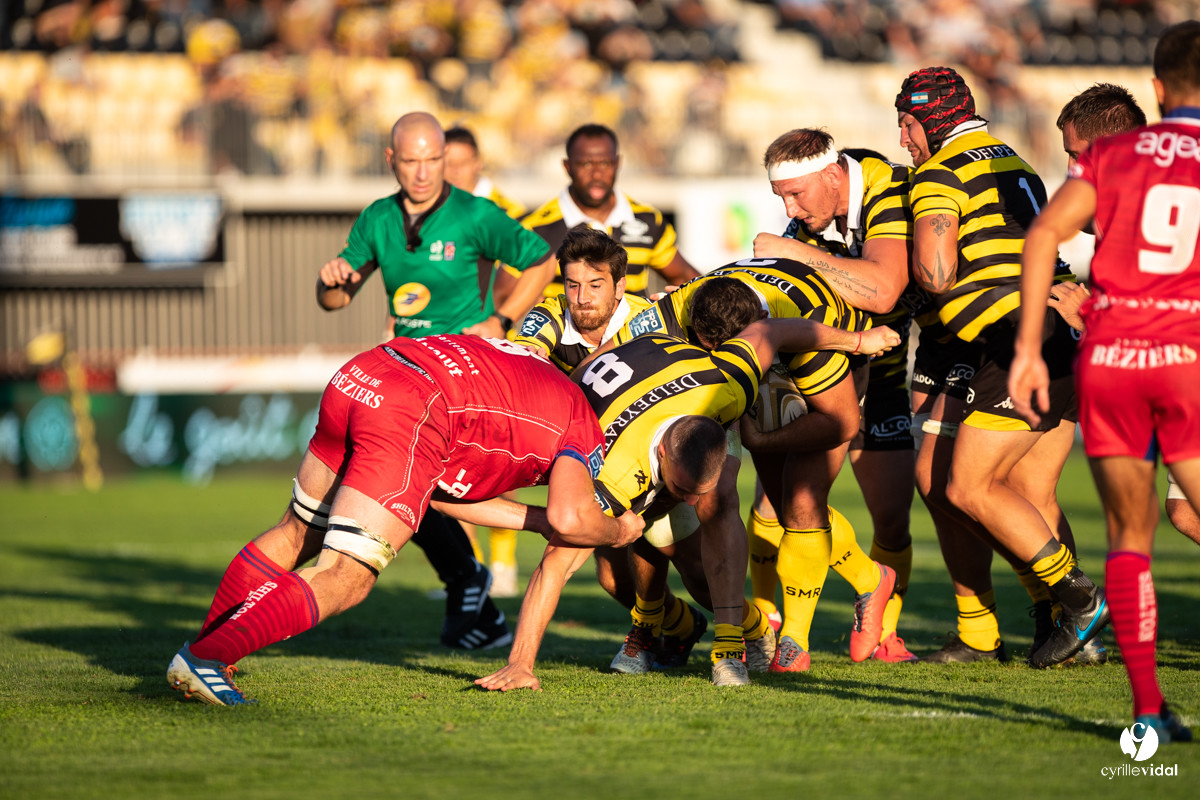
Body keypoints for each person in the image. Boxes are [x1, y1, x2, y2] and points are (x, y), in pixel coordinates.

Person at [167, 333, 644, 706]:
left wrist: (536, 521)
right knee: (346, 575)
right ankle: (208, 657)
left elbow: (438, 494)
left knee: (298, 531)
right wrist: (619, 530)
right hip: (413, 406)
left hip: (362, 373)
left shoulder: (529, 365)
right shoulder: (585, 424)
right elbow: (572, 516)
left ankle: (209, 649)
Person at [476, 312, 900, 691]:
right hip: (615, 428)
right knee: (630, 562)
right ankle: (680, 624)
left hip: (690, 397)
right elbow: (555, 564)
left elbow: (769, 329)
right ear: (661, 458)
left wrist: (860, 341)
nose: (689, 499)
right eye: (681, 490)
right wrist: (520, 664)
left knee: (716, 504)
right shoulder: (612, 471)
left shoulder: (732, 380)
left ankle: (730, 644)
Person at [1009, 20, 1200, 742]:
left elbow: (1042, 237)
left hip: (1113, 354)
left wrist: (1029, 347)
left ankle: (1148, 710)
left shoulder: (1113, 154)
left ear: (1156, 88)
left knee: (1129, 534)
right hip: (1186, 354)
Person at [314, 111, 557, 647]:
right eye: (410, 162)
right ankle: (473, 594)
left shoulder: (475, 214)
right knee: (413, 487)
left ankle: (465, 581)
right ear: (391, 160)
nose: (422, 173)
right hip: (403, 373)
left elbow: (540, 261)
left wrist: (502, 319)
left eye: (432, 161)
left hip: (462, 372)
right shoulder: (378, 218)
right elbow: (336, 298)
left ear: (445, 159)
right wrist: (331, 279)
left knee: (401, 480)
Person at [896, 66, 1108, 669]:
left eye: (908, 125)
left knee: (965, 486)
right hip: (1065, 329)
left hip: (1017, 334)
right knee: (1031, 491)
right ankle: (1065, 635)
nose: (905, 140)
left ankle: (1079, 601)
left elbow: (934, 273)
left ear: (930, 120)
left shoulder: (938, 172)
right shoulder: (1011, 158)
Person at [609, 258, 895, 674]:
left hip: (831, 371)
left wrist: (762, 439)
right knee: (778, 505)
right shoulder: (682, 305)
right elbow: (612, 355)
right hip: (755, 363)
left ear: (758, 328)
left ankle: (793, 642)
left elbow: (842, 424)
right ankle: (871, 579)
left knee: (799, 502)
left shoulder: (807, 330)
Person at [751, 129, 919, 663]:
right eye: (782, 198)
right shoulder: (807, 218)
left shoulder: (887, 190)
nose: (790, 208)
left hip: (889, 360)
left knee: (890, 514)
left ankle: (886, 628)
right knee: (783, 503)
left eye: (797, 194)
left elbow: (884, 289)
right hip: (831, 362)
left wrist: (790, 251)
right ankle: (781, 635)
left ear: (833, 175)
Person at [515, 226, 711, 670]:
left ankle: (754, 629)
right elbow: (524, 361)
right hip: (598, 464)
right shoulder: (546, 318)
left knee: (693, 569)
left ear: (620, 285)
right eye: (572, 284)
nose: (582, 297)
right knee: (611, 577)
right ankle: (677, 627)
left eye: (595, 285)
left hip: (660, 453)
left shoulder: (656, 318)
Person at [442, 123, 526, 598]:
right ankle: (470, 571)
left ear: (478, 164)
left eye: (458, 163)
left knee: (497, 452)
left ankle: (504, 564)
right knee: (457, 456)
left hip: (493, 345)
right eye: (444, 164)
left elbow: (518, 278)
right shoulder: (437, 213)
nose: (451, 173)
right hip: (451, 345)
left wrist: (485, 316)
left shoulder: (506, 213)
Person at [502, 123, 699, 301]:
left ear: (617, 163)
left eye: (604, 163)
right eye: (585, 164)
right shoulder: (537, 228)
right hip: (563, 341)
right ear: (567, 167)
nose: (596, 174)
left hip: (636, 340)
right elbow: (500, 297)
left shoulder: (648, 220)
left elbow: (686, 279)